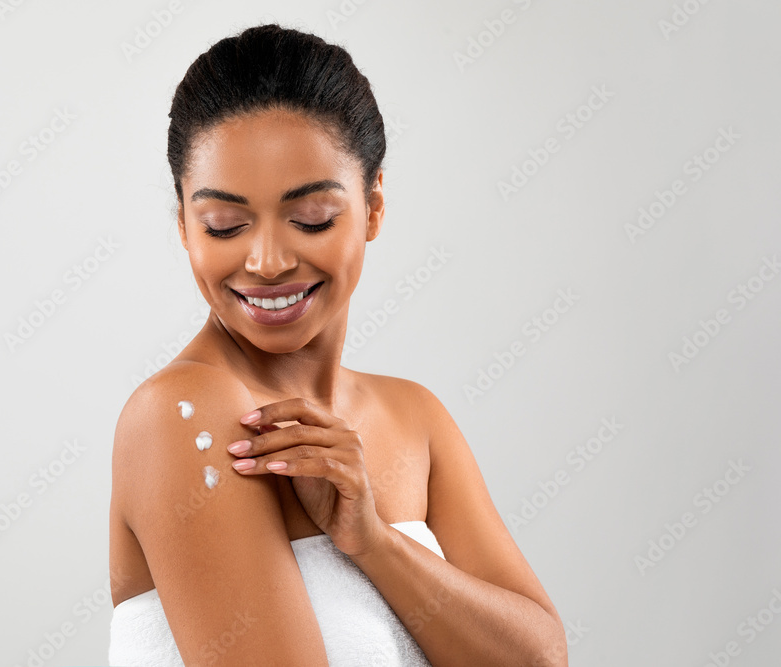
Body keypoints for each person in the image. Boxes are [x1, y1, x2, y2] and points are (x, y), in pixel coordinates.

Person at [108, 22, 567, 666]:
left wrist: (372, 541)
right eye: (225, 225)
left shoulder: (414, 418)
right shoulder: (183, 414)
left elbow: (541, 658)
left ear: (373, 206)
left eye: (311, 219)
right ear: (184, 225)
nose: (267, 261)